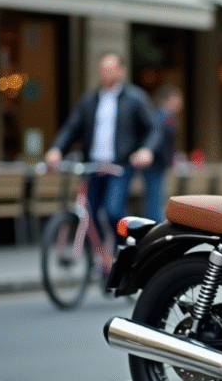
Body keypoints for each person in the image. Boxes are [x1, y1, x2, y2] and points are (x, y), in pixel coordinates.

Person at [45, 52, 160, 242]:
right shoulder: (90, 100)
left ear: (121, 71)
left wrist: (146, 150)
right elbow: (72, 127)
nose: (106, 73)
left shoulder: (135, 98)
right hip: (93, 166)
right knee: (90, 212)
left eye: (111, 68)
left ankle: (123, 251)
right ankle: (99, 260)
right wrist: (57, 148)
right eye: (103, 69)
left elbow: (153, 129)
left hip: (119, 166)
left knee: (113, 211)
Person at [143, 84, 184, 222]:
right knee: (155, 201)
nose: (180, 103)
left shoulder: (160, 115)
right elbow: (160, 143)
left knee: (154, 200)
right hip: (155, 165)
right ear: (171, 99)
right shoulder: (162, 117)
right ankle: (153, 231)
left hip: (155, 165)